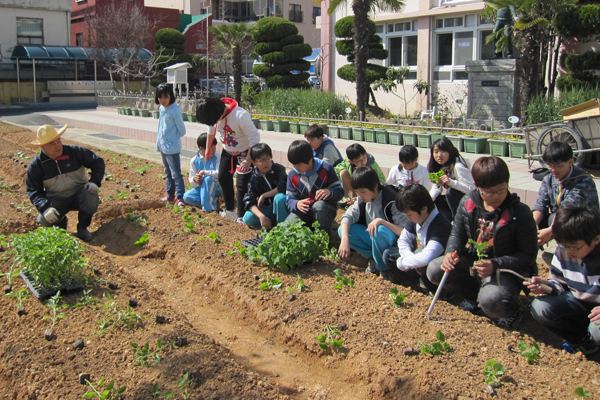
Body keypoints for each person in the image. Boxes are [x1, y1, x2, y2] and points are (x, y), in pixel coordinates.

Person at [427, 156, 538, 330]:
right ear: (478, 187)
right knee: (435, 270)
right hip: (475, 263)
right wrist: (451, 251)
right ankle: (473, 299)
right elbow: (457, 233)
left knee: (493, 300)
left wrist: (495, 264)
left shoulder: (520, 213)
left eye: (501, 189)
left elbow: (528, 255)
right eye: (490, 192)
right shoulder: (468, 204)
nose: (497, 196)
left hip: (505, 270)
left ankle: (511, 311)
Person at [526, 205, 600, 355]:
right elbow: (560, 285)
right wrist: (547, 287)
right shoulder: (564, 251)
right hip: (579, 304)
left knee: (597, 329)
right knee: (540, 307)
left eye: (574, 247)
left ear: (596, 239)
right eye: (564, 246)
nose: (568, 251)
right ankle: (581, 342)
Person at [25, 124, 105, 242]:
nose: (57, 145)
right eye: (52, 143)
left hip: (80, 194)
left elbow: (98, 162)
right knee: (44, 220)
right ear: (42, 147)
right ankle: (61, 222)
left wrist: (94, 181)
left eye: (58, 140)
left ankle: (82, 227)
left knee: (90, 194)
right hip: (57, 198)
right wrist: (45, 208)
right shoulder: (37, 165)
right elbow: (34, 190)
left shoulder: (75, 152)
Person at [196, 97, 260, 222]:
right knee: (223, 178)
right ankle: (230, 210)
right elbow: (210, 130)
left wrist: (248, 160)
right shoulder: (213, 113)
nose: (213, 123)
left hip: (245, 151)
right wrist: (208, 150)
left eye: (214, 121)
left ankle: (242, 215)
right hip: (228, 151)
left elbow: (254, 138)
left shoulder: (240, 116)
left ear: (219, 113)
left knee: (242, 185)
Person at [382, 183, 451, 292]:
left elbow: (427, 256)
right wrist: (408, 257)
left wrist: (404, 262)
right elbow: (403, 239)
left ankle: (443, 293)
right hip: (422, 260)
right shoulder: (417, 219)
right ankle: (419, 283)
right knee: (389, 255)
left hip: (442, 267)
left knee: (422, 260)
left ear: (423, 209)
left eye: (409, 214)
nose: (407, 218)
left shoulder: (440, 225)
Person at [337, 167, 407, 275]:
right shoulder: (362, 198)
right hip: (374, 237)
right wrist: (344, 241)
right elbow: (347, 217)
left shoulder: (392, 200)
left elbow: (404, 231)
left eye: (363, 192)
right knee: (343, 230)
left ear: (375, 186)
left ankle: (384, 270)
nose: (360, 196)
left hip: (393, 244)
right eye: (357, 192)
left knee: (379, 229)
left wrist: (382, 221)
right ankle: (374, 260)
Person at [532, 141, 598, 248]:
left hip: (583, 225)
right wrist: (532, 225)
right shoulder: (549, 179)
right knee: (528, 224)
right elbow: (541, 205)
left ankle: (568, 255)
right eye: (550, 165)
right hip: (560, 220)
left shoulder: (584, 181)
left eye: (558, 166)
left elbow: (567, 211)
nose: (553, 170)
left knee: (560, 222)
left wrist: (550, 231)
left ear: (570, 162)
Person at [285, 140, 344, 239]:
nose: (295, 168)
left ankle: (324, 243)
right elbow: (289, 199)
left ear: (310, 159)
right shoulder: (292, 174)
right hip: (304, 211)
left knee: (319, 205)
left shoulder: (326, 168)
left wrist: (330, 191)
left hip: (325, 210)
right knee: (287, 228)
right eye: (293, 165)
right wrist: (296, 204)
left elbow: (340, 191)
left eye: (298, 165)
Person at [242, 143, 289, 229]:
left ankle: (283, 229)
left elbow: (283, 187)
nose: (265, 163)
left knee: (280, 198)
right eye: (261, 160)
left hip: (283, 207)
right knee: (247, 218)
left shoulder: (278, 169)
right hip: (268, 208)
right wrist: (261, 216)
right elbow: (249, 200)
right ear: (254, 162)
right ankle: (270, 224)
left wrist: (264, 195)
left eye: (268, 159)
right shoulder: (254, 179)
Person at [155, 83, 187, 207]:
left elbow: (182, 131)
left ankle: (180, 198)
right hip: (163, 146)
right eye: (160, 97)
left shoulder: (174, 110)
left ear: (171, 96)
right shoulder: (162, 109)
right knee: (167, 173)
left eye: (165, 97)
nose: (162, 100)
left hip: (172, 148)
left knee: (176, 174)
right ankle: (170, 196)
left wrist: (172, 138)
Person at [428, 137, 475, 220]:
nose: (439, 155)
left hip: (467, 203)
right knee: (437, 200)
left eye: (443, 151)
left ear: (450, 151)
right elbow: (436, 189)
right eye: (436, 152)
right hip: (453, 202)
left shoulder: (458, 166)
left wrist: (451, 182)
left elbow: (471, 189)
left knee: (451, 192)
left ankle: (459, 220)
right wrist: (428, 200)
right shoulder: (437, 167)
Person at [182, 133, 222, 211]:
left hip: (218, 187)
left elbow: (219, 173)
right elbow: (192, 181)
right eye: (211, 148)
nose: (214, 150)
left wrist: (205, 172)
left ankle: (210, 209)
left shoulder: (218, 156)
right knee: (186, 197)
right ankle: (211, 200)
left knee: (208, 179)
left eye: (215, 147)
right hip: (204, 188)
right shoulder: (194, 161)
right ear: (202, 148)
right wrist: (195, 179)